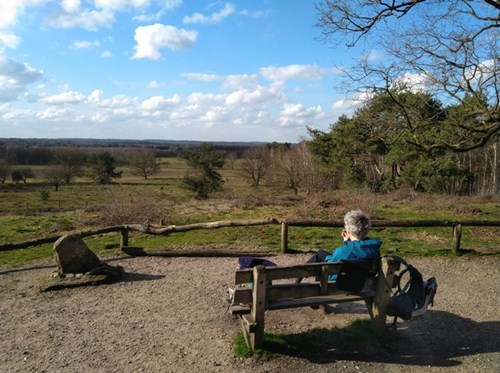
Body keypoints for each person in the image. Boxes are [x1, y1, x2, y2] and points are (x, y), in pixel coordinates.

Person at [298, 210, 381, 282]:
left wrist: (345, 244)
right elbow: (355, 253)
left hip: (337, 287)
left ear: (348, 231)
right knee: (321, 253)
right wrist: (347, 243)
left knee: (320, 255)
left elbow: (331, 273)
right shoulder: (374, 250)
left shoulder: (342, 251)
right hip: (362, 285)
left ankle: (301, 276)